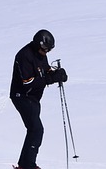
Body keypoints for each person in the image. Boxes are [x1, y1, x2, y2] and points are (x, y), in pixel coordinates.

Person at [10, 28, 69, 169]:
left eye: (48, 51)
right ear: (38, 44)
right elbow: (28, 83)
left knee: (33, 129)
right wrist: (50, 79)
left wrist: (57, 73)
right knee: (36, 129)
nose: (46, 53)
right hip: (22, 96)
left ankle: (25, 164)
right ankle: (28, 165)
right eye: (45, 49)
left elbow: (45, 70)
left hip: (34, 98)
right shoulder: (24, 56)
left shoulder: (40, 54)